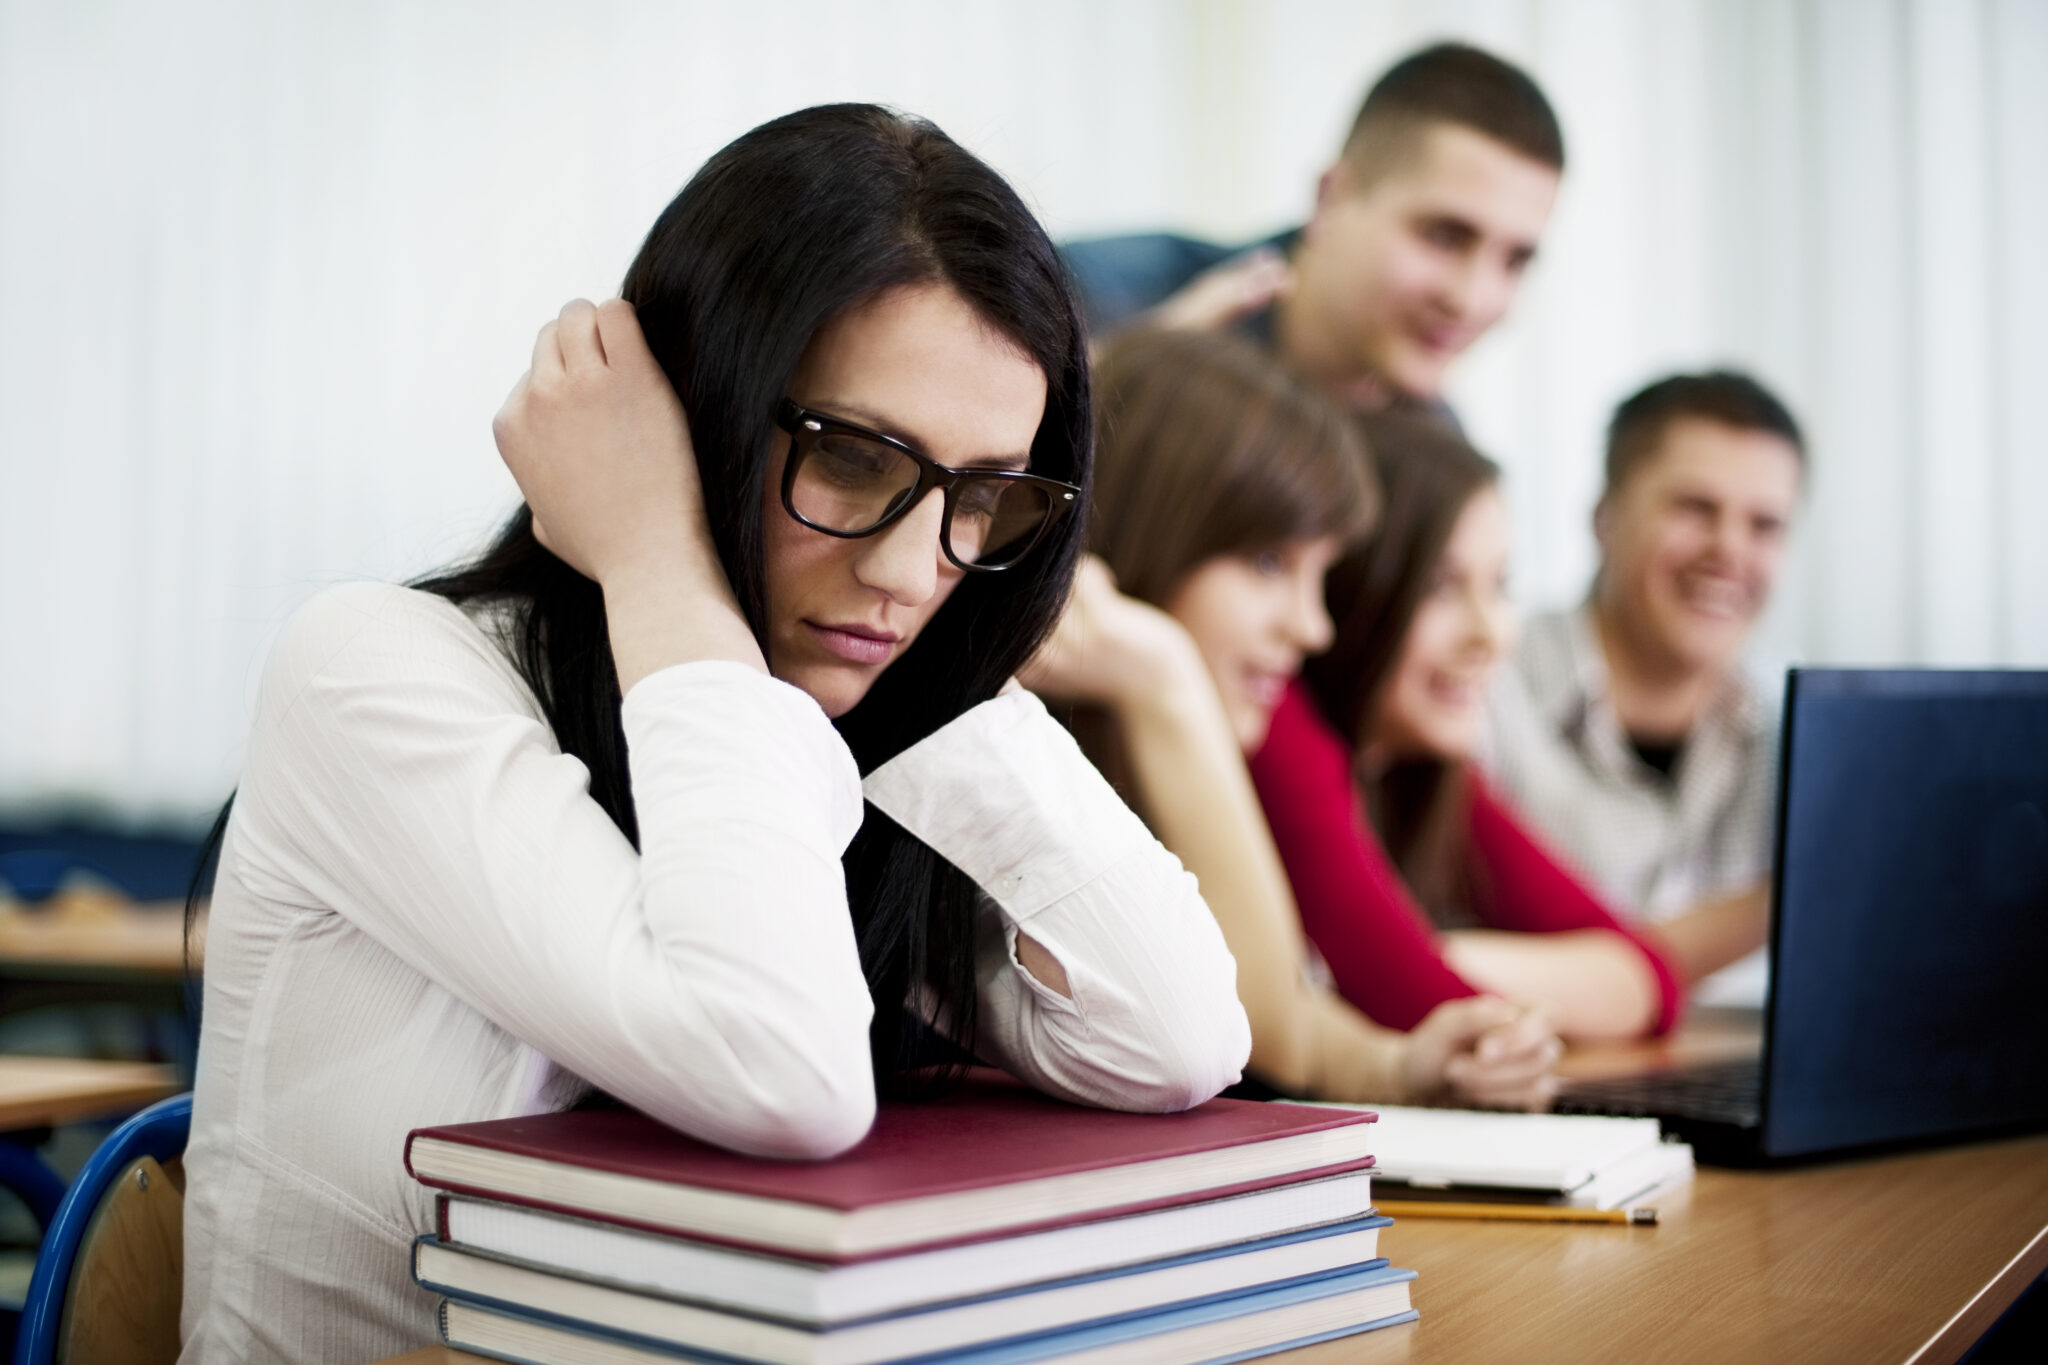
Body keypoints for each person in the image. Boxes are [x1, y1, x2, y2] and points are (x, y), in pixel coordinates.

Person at [178, 106, 1250, 1362]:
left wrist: (951, 678)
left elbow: (1171, 1037)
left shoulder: (817, 734)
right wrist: (655, 557)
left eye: (983, 495)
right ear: (691, 421)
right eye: (854, 458)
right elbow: (776, 1072)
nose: (913, 570)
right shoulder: (374, 673)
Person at [1022, 328, 1559, 1108]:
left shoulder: (1167, 742)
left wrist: (1404, 1067)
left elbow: (1300, 1024)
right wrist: (1166, 683)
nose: (1313, 628)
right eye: (1270, 563)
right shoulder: (1037, 759)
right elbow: (1263, 1033)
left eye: (1320, 574)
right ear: (1143, 540)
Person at [1250, 413, 1685, 1042]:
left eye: (1500, 585)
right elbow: (1421, 1004)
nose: (1490, 633)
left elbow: (1650, 981)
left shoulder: (1425, 766)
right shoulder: (1285, 732)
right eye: (1441, 589)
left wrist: (1430, 955)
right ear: (1351, 593)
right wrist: (1409, 969)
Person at [1483, 372, 1806, 990]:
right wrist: (1807, 890)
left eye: (1764, 526)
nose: (1729, 551)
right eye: (1695, 509)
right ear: (1604, 519)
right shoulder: (1483, 687)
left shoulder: (1789, 729)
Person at [1063, 42, 1563, 420]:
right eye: (1444, 236)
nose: (1470, 299)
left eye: (1516, 261)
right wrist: (1118, 381)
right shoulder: (1091, 300)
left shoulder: (1432, 444)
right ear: (1331, 201)